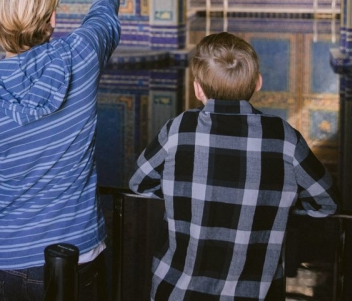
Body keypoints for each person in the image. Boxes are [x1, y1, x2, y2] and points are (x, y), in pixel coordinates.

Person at [0, 0, 131, 300]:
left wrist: (6, 179)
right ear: (52, 19)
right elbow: (102, 18)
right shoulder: (82, 56)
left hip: (4, 261)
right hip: (80, 251)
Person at [129, 32, 339, 301]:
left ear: (197, 89)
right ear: (258, 83)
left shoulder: (179, 130)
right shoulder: (283, 137)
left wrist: (181, 193)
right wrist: (275, 203)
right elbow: (327, 202)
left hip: (177, 292)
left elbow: (139, 182)